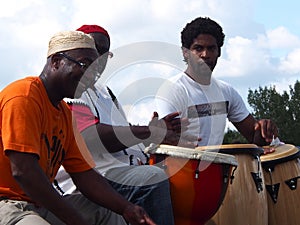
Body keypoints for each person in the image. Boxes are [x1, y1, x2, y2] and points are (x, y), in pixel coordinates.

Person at [0, 30, 156, 225]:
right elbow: (23, 171)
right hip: (6, 204)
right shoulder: (24, 97)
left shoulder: (65, 113)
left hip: (38, 204)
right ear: (56, 61)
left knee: (109, 214)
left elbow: (84, 175)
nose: (90, 77)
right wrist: (76, 220)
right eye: (85, 65)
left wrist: (127, 208)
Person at [55, 24, 197, 225]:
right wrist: (148, 132)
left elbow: (124, 135)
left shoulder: (105, 93)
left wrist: (155, 136)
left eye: (104, 53)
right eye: (93, 49)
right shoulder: (72, 89)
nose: (98, 58)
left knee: (171, 173)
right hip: (88, 180)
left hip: (115, 172)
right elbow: (91, 138)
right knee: (151, 178)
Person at [154, 17, 278, 147]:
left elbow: (255, 137)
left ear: (219, 52)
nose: (205, 54)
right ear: (185, 53)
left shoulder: (226, 91)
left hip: (217, 166)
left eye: (211, 48)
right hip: (181, 166)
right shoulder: (171, 90)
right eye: (198, 48)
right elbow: (167, 143)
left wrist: (265, 130)